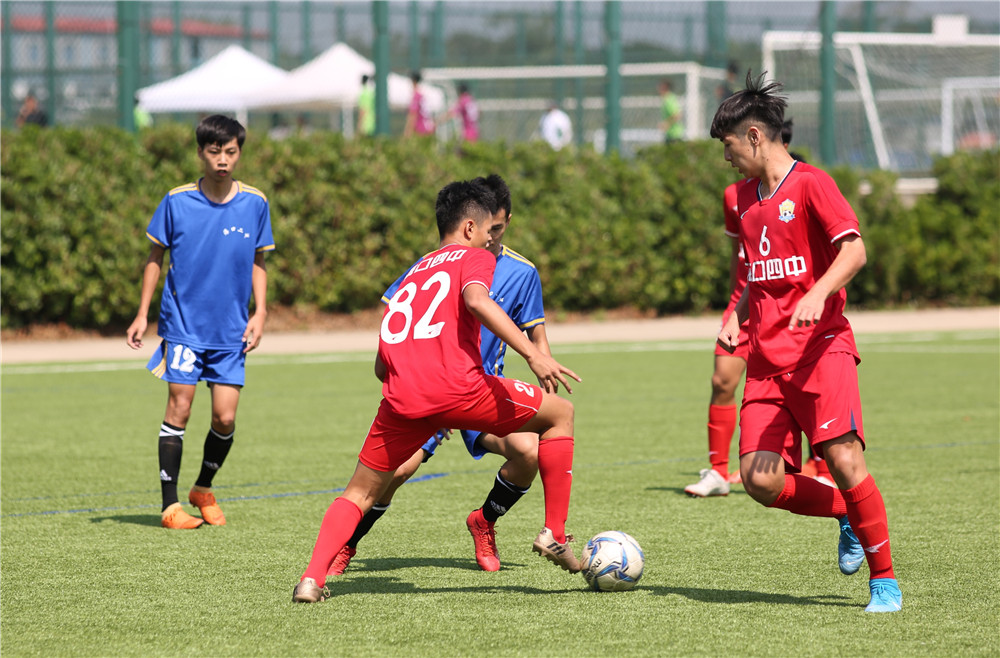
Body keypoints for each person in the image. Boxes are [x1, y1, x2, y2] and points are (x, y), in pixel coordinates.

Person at [292, 179, 582, 603]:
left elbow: (380, 362)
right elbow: (479, 302)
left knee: (357, 491)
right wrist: (534, 356)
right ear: (468, 228)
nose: (490, 240)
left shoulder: (414, 271)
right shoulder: (474, 257)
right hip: (460, 387)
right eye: (487, 232)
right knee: (561, 415)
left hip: (403, 394)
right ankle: (554, 533)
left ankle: (310, 580)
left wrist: (420, 390)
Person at [711, 72, 901, 613]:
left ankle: (884, 581)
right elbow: (757, 271)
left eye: (728, 147)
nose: (726, 159)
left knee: (843, 458)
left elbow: (855, 251)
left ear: (753, 136)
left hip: (822, 350)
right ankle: (845, 511)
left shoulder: (812, 183)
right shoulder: (744, 199)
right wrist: (737, 313)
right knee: (759, 481)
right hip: (767, 362)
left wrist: (819, 291)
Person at [126, 115, 275, 530]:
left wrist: (259, 312)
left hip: (230, 331)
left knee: (225, 418)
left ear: (239, 153)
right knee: (181, 405)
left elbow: (259, 261)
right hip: (185, 325)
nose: (222, 160)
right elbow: (156, 257)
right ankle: (170, 506)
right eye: (214, 151)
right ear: (200, 153)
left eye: (230, 151)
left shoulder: (255, 203)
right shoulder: (176, 201)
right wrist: (143, 314)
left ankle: (203, 488)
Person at [686, 118, 832, 497]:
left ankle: (822, 469)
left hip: (792, 311)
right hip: (748, 304)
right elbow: (744, 258)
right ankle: (719, 472)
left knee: (805, 393)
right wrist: (735, 303)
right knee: (721, 380)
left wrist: (818, 295)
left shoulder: (804, 183)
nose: (728, 156)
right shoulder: (736, 195)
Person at [403, 70, 435, 137]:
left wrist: (407, 132)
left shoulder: (416, 96)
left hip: (421, 130)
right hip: (428, 127)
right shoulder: (422, 95)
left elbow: (413, 114)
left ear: (413, 81)